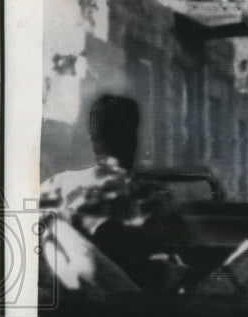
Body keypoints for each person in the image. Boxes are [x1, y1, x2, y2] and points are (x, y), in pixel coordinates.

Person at [40, 94, 189, 293]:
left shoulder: (56, 186)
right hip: (133, 313)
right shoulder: (153, 195)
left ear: (92, 138)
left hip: (67, 308)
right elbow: (178, 254)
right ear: (133, 137)